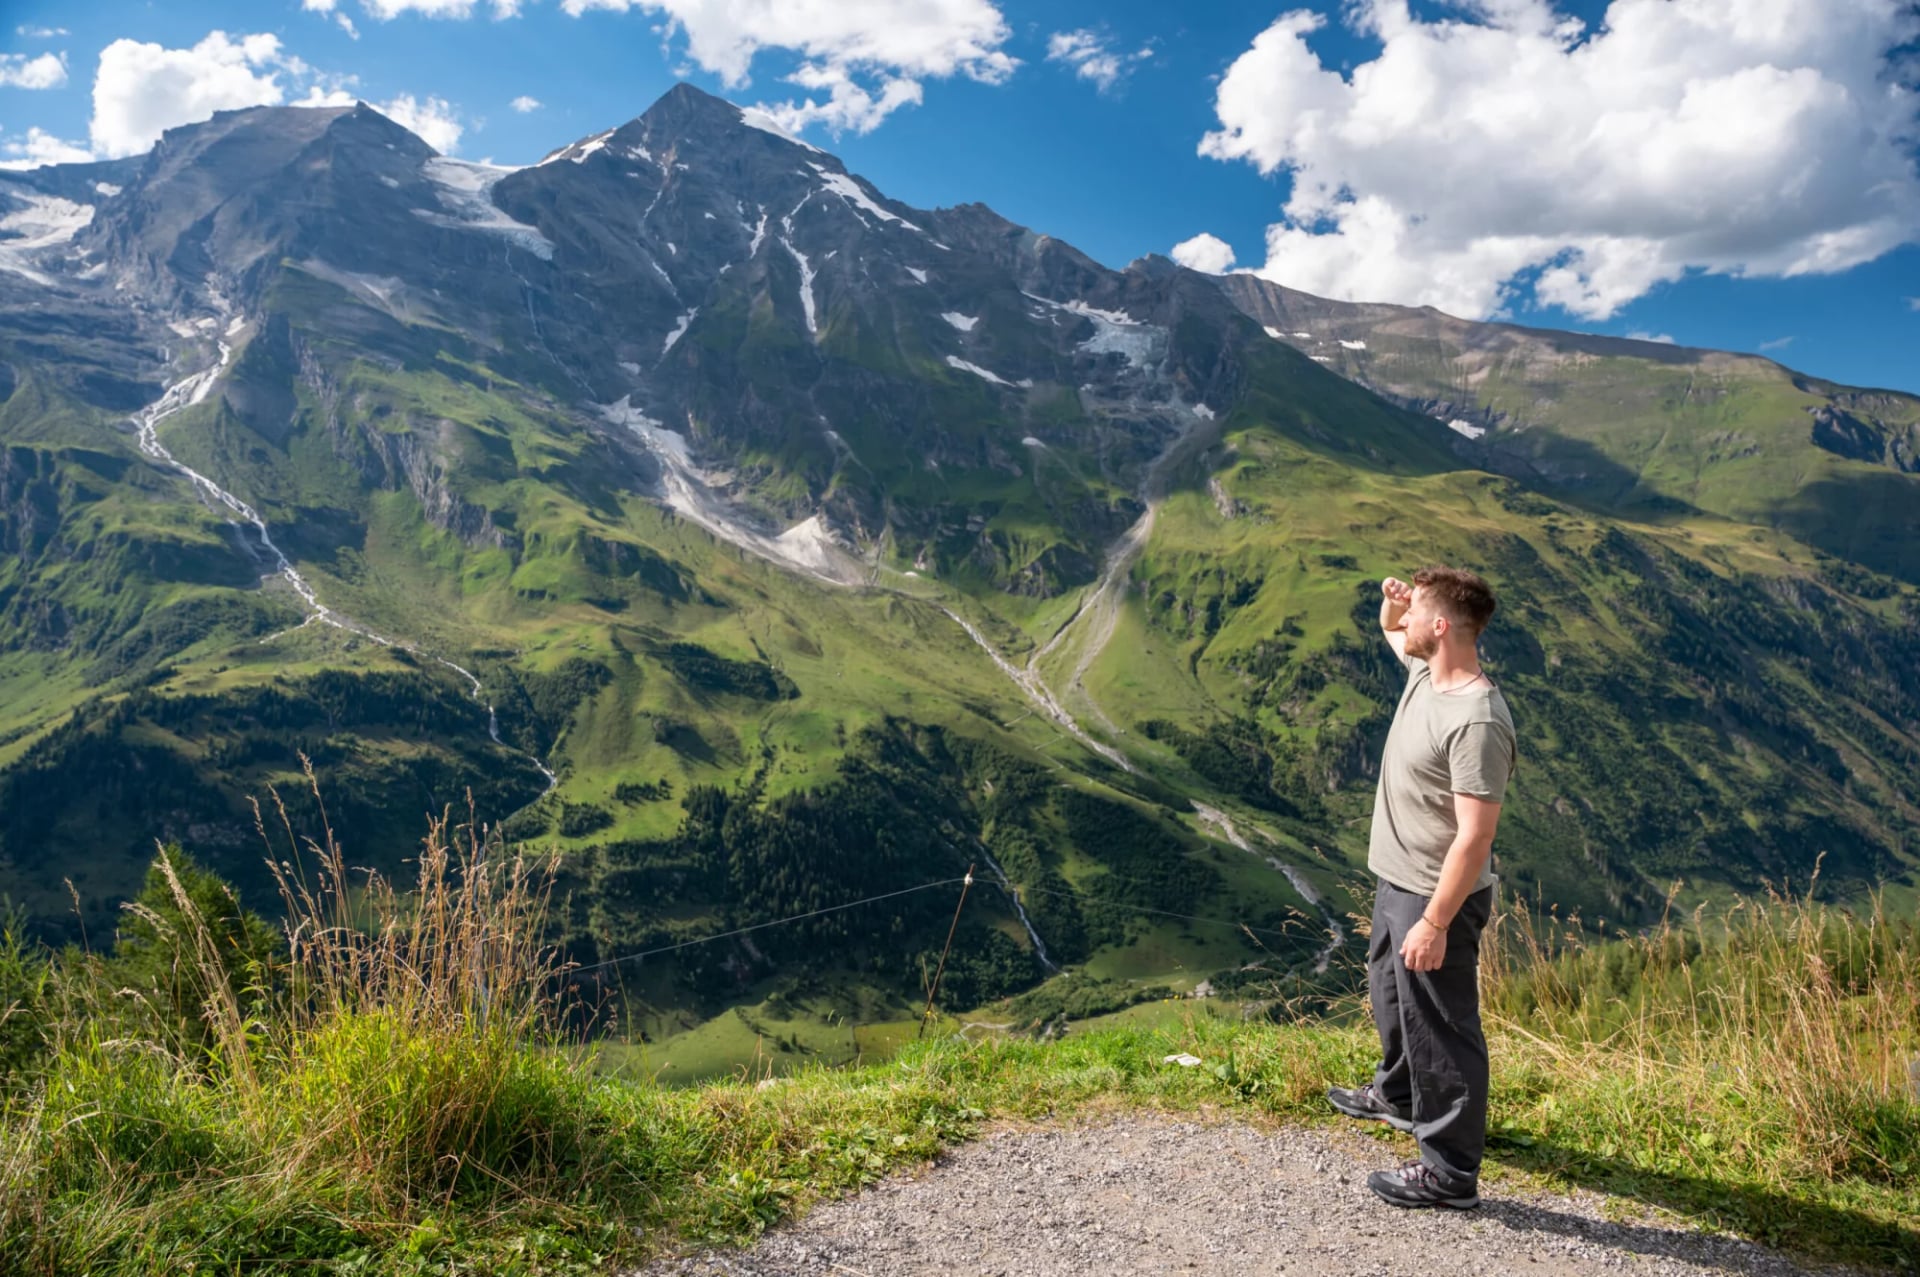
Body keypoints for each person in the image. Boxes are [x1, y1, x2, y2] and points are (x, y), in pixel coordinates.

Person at [1327, 565, 1516, 1210]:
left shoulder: (1477, 720)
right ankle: (1399, 1095)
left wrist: (1435, 921)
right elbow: (1394, 633)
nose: (1400, 625)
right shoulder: (1426, 676)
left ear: (1440, 628)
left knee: (1443, 1028)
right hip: (1395, 879)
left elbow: (1474, 838)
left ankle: (1450, 1173)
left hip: (1435, 896)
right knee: (1390, 996)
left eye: (1414, 615)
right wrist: (1394, 606)